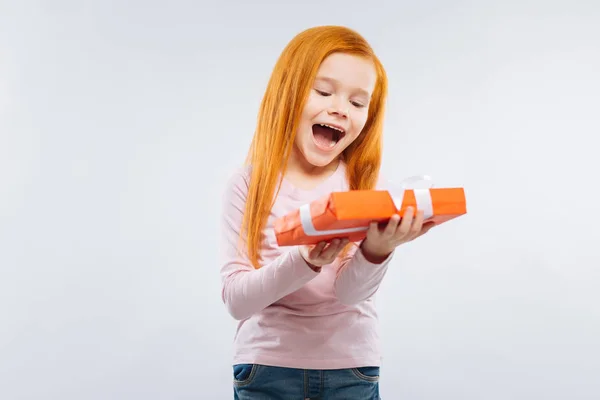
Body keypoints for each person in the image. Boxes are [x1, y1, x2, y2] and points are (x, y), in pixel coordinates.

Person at [219, 25, 434, 399]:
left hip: (351, 370)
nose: (339, 107)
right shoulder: (247, 185)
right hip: (266, 370)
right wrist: (304, 260)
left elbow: (350, 295)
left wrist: (377, 251)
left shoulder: (365, 184)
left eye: (357, 102)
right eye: (323, 91)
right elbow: (238, 301)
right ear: (289, 91)